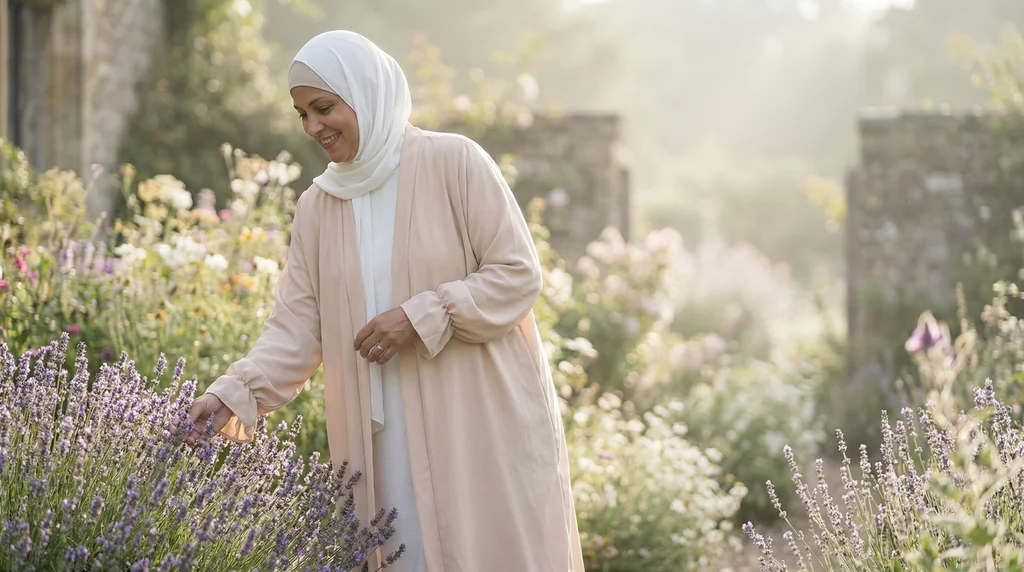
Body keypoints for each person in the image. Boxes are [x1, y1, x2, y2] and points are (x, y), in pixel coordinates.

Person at [183, 30, 584, 571]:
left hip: (476, 428)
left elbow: (516, 274)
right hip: (381, 444)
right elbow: (298, 326)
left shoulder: (455, 163)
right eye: (302, 114)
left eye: (324, 108)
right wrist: (234, 393)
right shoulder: (317, 207)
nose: (313, 127)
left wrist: (421, 317)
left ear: (366, 92)